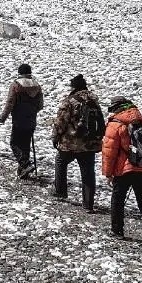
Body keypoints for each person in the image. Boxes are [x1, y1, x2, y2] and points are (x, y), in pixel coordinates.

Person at [101, 96, 142, 251]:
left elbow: (109, 152)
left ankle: (117, 230)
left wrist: (108, 173)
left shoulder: (115, 124)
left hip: (124, 170)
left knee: (118, 199)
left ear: (116, 108)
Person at [51, 74, 104, 212]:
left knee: (61, 162)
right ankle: (88, 204)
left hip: (71, 142)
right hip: (90, 143)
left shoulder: (70, 101)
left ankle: (60, 190)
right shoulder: (93, 100)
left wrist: (55, 137)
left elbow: (60, 122)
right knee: (88, 172)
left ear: (73, 87)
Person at [0, 63, 44, 178]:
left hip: (18, 118)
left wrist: (3, 117)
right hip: (31, 119)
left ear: (19, 73)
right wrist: (32, 112)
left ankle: (25, 164)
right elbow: (40, 105)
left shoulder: (16, 85)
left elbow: (10, 103)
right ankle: (23, 171)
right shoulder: (37, 85)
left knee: (14, 143)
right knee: (26, 144)